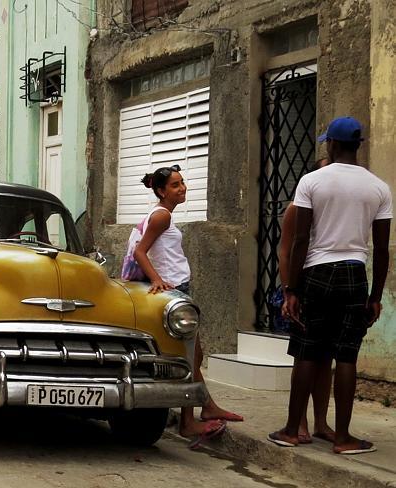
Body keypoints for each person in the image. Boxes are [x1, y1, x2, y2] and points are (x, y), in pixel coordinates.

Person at [269, 117, 392, 455]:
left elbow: (301, 239)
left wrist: (291, 289)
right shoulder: (379, 187)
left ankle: (292, 430)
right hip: (355, 273)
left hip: (317, 273)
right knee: (347, 354)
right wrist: (376, 296)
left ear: (333, 145)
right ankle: (343, 437)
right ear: (358, 145)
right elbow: (381, 249)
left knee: (308, 349)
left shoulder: (312, 181)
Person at [133, 164, 243, 446]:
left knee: (194, 354)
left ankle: (205, 406)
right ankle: (188, 420)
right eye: (174, 185)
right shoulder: (161, 217)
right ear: (161, 191)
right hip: (174, 291)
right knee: (188, 355)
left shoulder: (163, 215)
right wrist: (158, 279)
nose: (181, 188)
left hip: (178, 288)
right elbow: (140, 251)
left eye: (182, 183)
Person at [278, 157, 335, 444]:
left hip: (325, 287)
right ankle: (298, 422)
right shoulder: (296, 208)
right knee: (304, 358)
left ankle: (321, 423)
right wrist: (290, 289)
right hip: (302, 289)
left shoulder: (335, 210)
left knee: (326, 360)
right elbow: (285, 250)